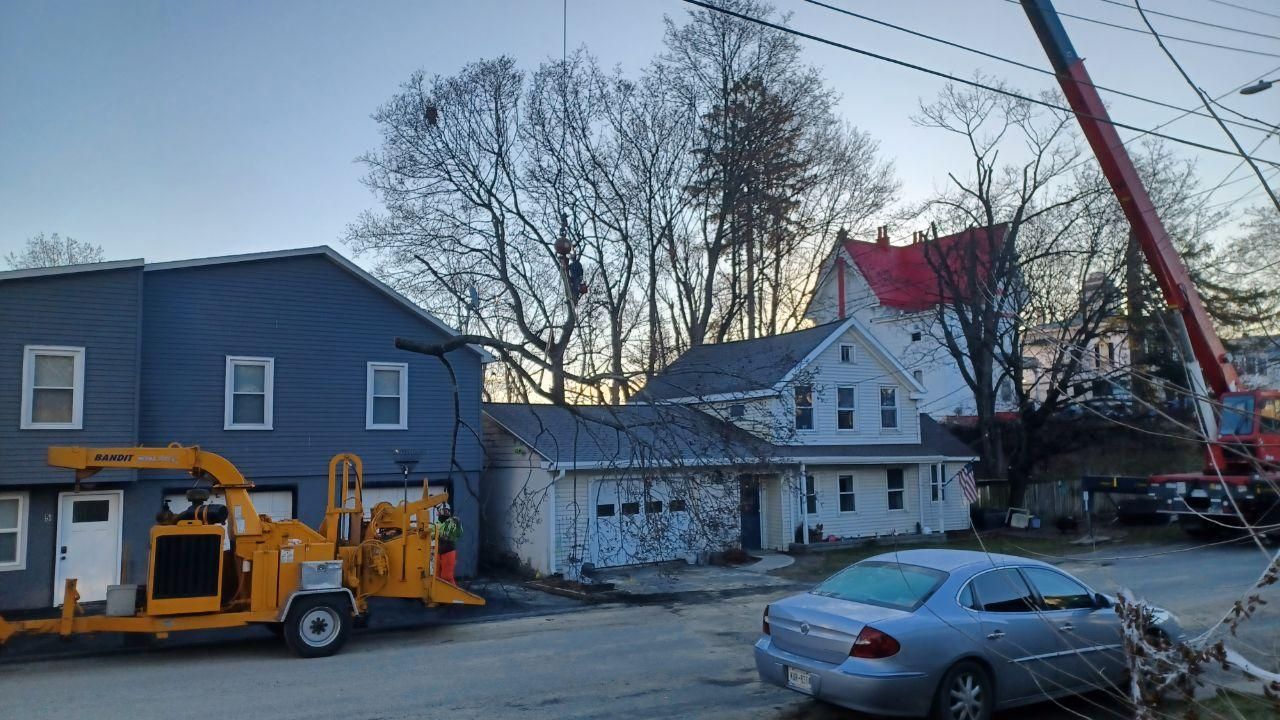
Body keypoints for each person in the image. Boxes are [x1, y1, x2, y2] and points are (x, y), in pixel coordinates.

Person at [433, 504, 462, 585]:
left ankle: (452, 594)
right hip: (439, 552)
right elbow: (431, 533)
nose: (445, 513)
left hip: (448, 551)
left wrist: (458, 524)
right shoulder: (437, 524)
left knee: (447, 577)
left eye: (447, 511)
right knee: (437, 576)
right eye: (443, 511)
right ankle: (439, 593)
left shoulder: (452, 522)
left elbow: (457, 534)